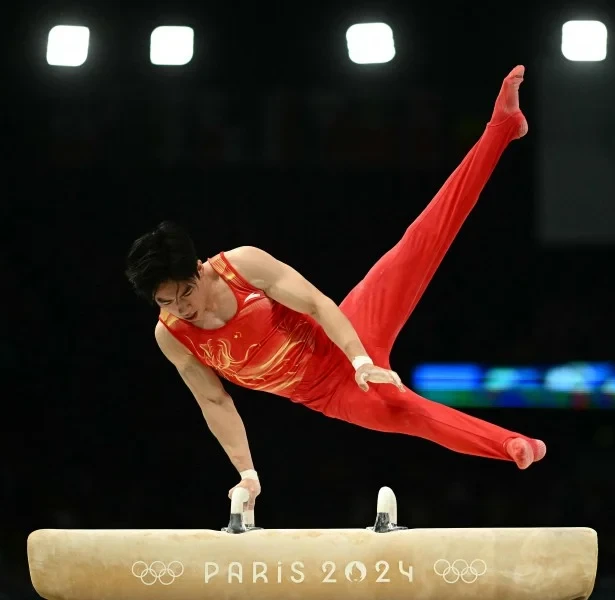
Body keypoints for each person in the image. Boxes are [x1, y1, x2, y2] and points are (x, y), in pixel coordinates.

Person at [126, 66, 546, 513]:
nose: (179, 308)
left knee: (422, 241)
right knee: (405, 412)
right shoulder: (171, 335)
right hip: (328, 394)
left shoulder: (242, 266)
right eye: (165, 302)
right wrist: (247, 474)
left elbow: (316, 303)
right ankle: (512, 444)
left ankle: (501, 128)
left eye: (183, 294)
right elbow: (213, 399)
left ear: (198, 268)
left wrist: (360, 360)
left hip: (346, 335)